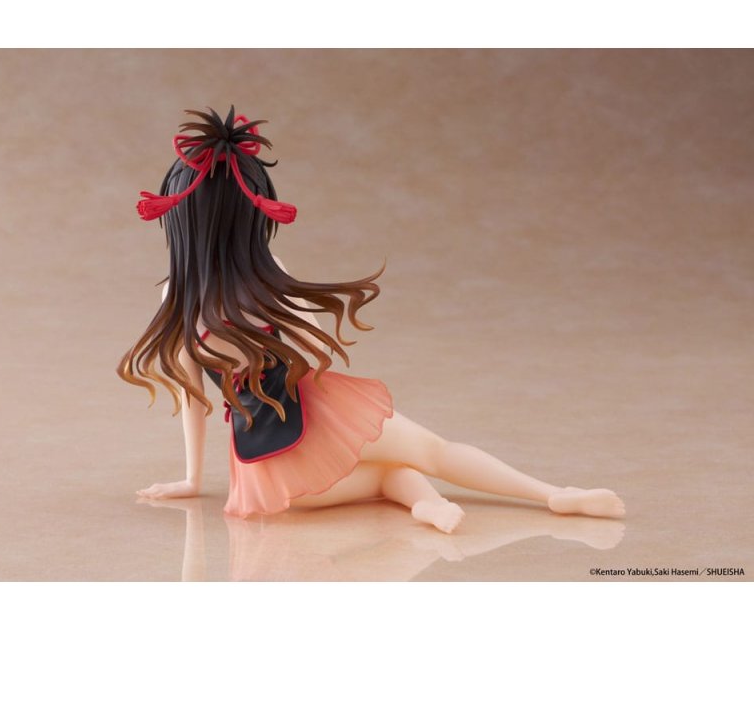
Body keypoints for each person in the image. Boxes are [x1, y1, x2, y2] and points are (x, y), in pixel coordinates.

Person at [118, 106, 625, 534]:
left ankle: (425, 503)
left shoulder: (175, 298)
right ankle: (552, 494)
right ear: (256, 217)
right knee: (435, 450)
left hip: (272, 472)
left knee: (386, 477)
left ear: (178, 221)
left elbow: (193, 397)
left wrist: (192, 479)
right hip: (313, 416)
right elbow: (313, 352)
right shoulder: (270, 279)